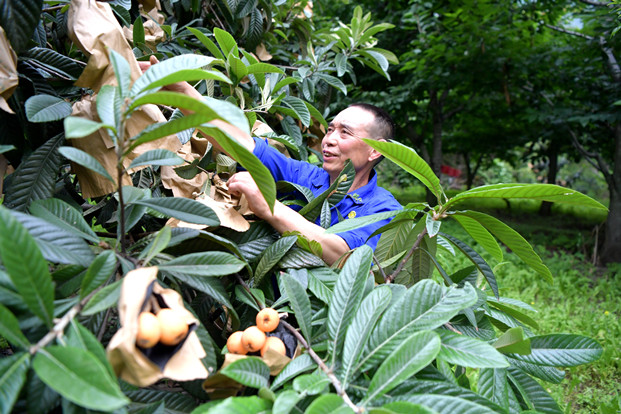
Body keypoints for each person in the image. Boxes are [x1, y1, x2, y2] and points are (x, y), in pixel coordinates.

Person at [140, 57, 402, 265]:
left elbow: (343, 257)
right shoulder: (304, 177)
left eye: (345, 132)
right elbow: (241, 145)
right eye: (331, 129)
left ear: (375, 151)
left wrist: (270, 207)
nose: (329, 139)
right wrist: (182, 92)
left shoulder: (385, 210)